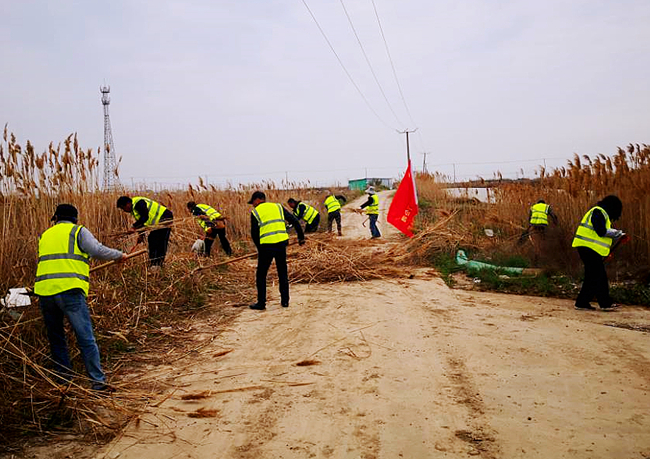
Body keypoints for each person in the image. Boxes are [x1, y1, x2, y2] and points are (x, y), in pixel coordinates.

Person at [34, 204, 126, 391]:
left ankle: (63, 384)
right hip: (70, 291)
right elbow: (97, 250)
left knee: (56, 339)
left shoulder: (45, 235)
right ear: (75, 218)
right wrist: (119, 255)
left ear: (56, 218)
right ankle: (98, 383)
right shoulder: (78, 231)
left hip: (44, 292)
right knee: (85, 338)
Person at [248, 191, 305, 310]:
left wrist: (260, 248)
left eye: (253, 202)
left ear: (258, 199)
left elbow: (254, 234)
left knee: (261, 275)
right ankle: (285, 301)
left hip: (266, 246)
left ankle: (261, 303)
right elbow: (294, 221)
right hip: (281, 244)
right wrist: (301, 237)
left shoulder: (255, 212)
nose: (253, 205)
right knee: (282, 272)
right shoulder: (278, 207)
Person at [572, 195, 624, 311]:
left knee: (592, 276)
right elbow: (601, 231)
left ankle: (582, 302)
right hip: (588, 248)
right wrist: (619, 234)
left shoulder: (599, 212)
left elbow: (599, 235)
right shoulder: (598, 212)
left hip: (587, 248)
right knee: (599, 276)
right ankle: (605, 303)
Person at [116, 196, 173, 267]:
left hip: (164, 217)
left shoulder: (139, 203)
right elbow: (142, 223)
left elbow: (145, 216)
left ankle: (157, 264)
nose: (124, 211)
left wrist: (133, 227)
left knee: (157, 240)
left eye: (123, 208)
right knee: (153, 239)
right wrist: (141, 235)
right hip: (160, 220)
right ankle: (155, 263)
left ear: (127, 204)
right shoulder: (134, 209)